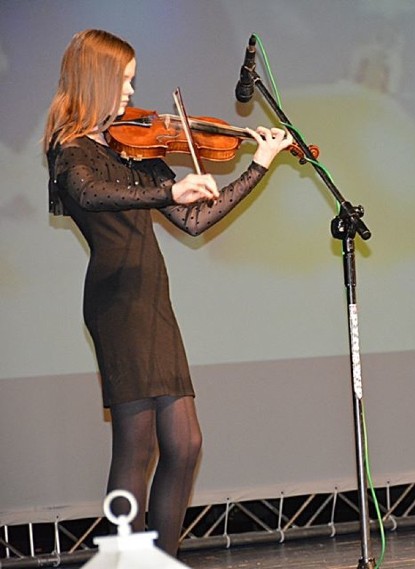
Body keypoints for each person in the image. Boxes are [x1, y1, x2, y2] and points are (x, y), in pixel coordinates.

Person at [43, 29, 293, 556]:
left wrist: (258, 165)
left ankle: (160, 559)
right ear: (98, 78)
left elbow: (195, 218)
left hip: (153, 299)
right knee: (136, 446)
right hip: (116, 300)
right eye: (126, 81)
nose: (133, 93)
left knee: (184, 444)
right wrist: (165, 188)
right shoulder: (72, 151)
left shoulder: (135, 146)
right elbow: (90, 193)